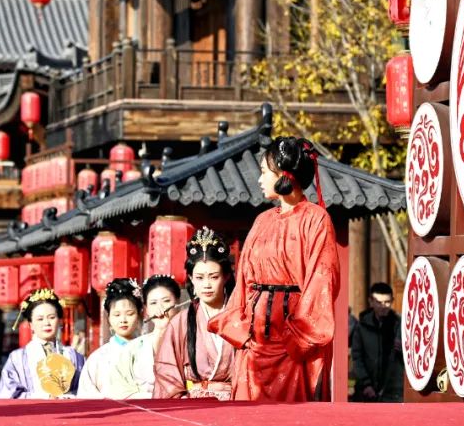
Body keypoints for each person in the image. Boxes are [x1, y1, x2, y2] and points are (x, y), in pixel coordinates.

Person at [209, 136, 340, 402]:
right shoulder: (261, 220)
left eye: (264, 172)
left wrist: (297, 337)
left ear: (283, 175)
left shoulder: (316, 219)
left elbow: (322, 281)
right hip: (254, 337)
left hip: (294, 340)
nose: (259, 180)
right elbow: (243, 280)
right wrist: (242, 329)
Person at [153, 230, 235, 399]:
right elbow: (167, 373)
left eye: (214, 277)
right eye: (199, 278)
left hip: (236, 400)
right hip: (194, 403)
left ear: (226, 276)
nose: (206, 285)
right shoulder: (181, 322)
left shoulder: (240, 318)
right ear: (191, 278)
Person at [0, 289, 84, 399]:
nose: (46, 323)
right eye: (40, 319)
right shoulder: (17, 358)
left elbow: (86, 390)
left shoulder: (74, 355)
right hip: (32, 409)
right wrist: (44, 397)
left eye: (52, 317)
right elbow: (7, 395)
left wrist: (69, 397)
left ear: (59, 321)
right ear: (31, 324)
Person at [108, 275, 182, 399]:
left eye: (166, 301)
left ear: (178, 303)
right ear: (146, 309)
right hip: (142, 407)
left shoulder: (193, 342)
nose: (160, 309)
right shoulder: (133, 348)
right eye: (153, 303)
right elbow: (119, 390)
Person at [77, 278, 143, 398]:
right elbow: (86, 395)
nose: (123, 320)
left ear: (139, 315)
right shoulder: (98, 358)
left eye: (129, 314)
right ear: (108, 318)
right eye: (117, 315)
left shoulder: (148, 351)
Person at [351, 282, 403, 402]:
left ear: (392, 301)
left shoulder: (399, 325)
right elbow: (357, 358)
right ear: (371, 301)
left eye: (387, 302)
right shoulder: (362, 326)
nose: (383, 306)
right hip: (366, 391)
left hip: (393, 393)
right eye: (379, 302)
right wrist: (366, 384)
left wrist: (403, 349)